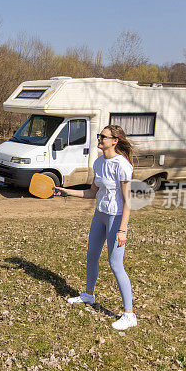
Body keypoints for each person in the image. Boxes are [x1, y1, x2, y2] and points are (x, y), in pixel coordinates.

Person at [55, 125, 137, 330]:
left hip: (116, 218)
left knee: (115, 263)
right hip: (99, 214)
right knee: (92, 254)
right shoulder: (99, 162)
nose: (99, 139)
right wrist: (66, 191)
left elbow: (128, 201)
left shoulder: (122, 165)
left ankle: (129, 314)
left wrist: (122, 230)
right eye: (99, 136)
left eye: (103, 136)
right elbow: (92, 193)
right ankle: (89, 295)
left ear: (115, 141)